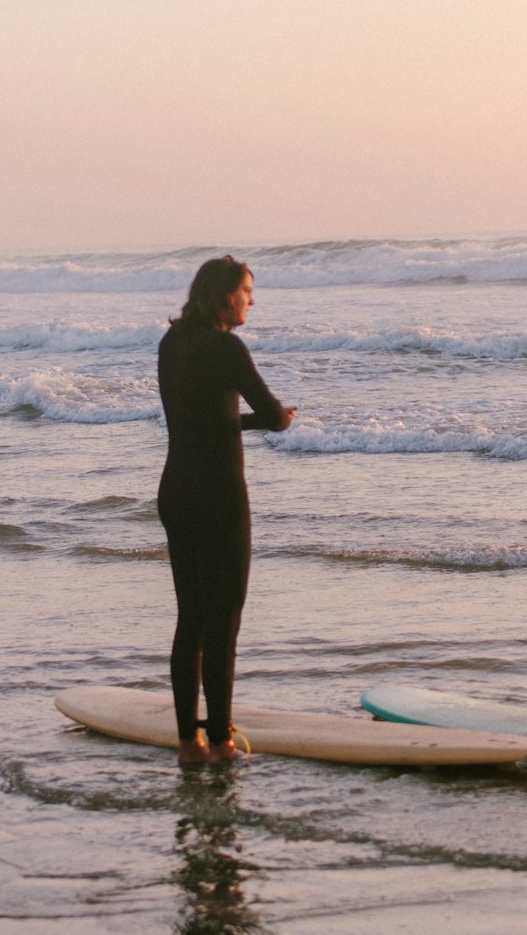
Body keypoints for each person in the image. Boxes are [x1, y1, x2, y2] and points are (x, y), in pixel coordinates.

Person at [157, 256, 295, 765]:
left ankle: (188, 742)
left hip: (175, 490)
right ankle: (220, 741)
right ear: (224, 295)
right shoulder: (226, 347)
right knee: (224, 622)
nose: (251, 300)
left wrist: (232, 421)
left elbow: (194, 414)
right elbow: (275, 415)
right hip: (218, 495)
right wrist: (264, 424)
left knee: (190, 618)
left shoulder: (172, 342)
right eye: (246, 291)